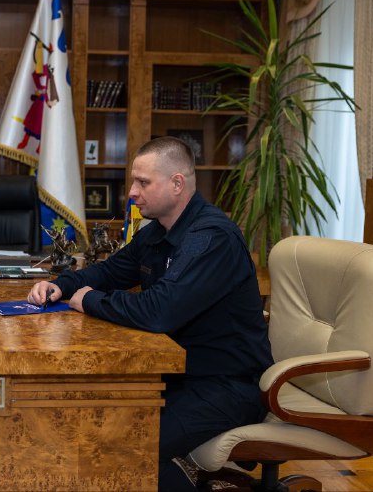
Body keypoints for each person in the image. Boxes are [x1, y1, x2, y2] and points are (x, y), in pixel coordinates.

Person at [27, 136, 273, 491]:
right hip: (176, 374)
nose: (132, 192)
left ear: (177, 183)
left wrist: (90, 300)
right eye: (133, 182)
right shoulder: (157, 231)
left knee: (126, 444)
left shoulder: (212, 238)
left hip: (226, 386)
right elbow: (111, 272)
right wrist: (61, 286)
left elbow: (160, 312)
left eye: (143, 182)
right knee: (91, 423)